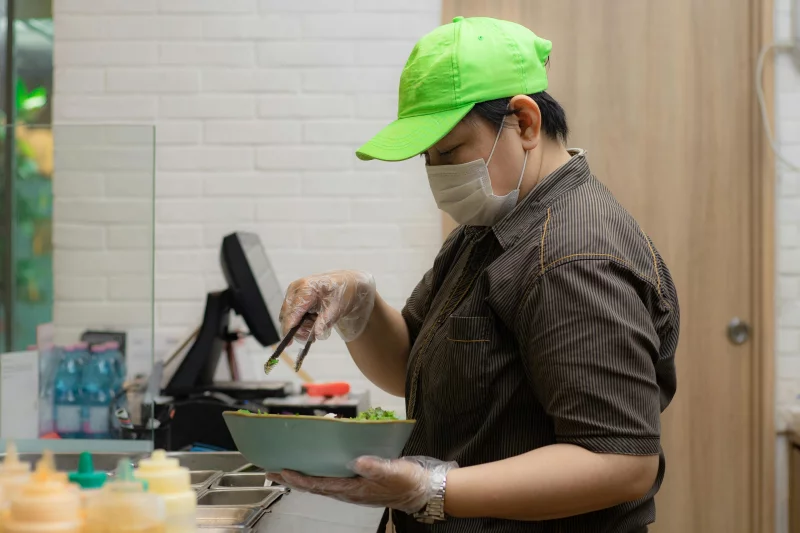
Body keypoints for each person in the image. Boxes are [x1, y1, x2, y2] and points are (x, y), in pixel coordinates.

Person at [267, 15, 679, 533]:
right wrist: (360, 307)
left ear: (525, 123)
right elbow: (408, 367)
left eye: (450, 150)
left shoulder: (574, 255)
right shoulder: (490, 227)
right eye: (427, 157)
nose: (437, 172)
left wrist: (430, 490)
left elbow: (619, 463)